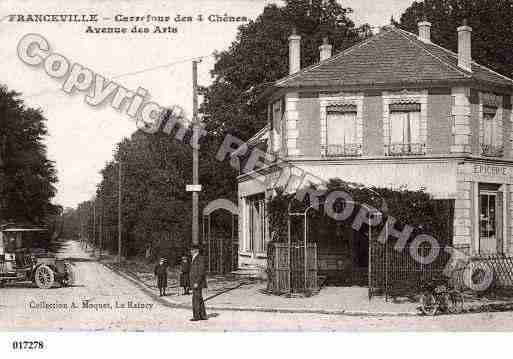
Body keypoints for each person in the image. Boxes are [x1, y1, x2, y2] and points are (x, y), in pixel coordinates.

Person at [189, 245, 207, 321]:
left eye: (192, 250)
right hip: (195, 281)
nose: (190, 251)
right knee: (199, 298)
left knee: (196, 299)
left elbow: (201, 271)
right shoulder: (195, 258)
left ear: (196, 250)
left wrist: (197, 282)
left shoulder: (200, 258)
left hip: (197, 282)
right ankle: (202, 315)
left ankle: (196, 316)